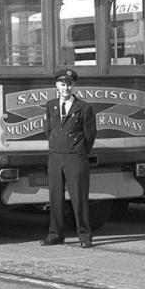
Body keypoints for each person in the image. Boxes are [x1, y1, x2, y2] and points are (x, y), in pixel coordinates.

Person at [41, 68, 98, 248]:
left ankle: (84, 235)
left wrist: (79, 151)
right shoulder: (51, 105)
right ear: (57, 85)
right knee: (55, 198)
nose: (65, 88)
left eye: (69, 84)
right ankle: (55, 234)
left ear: (73, 85)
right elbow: (48, 130)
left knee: (79, 198)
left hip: (75, 157)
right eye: (62, 84)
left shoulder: (84, 107)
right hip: (56, 156)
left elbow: (90, 135)